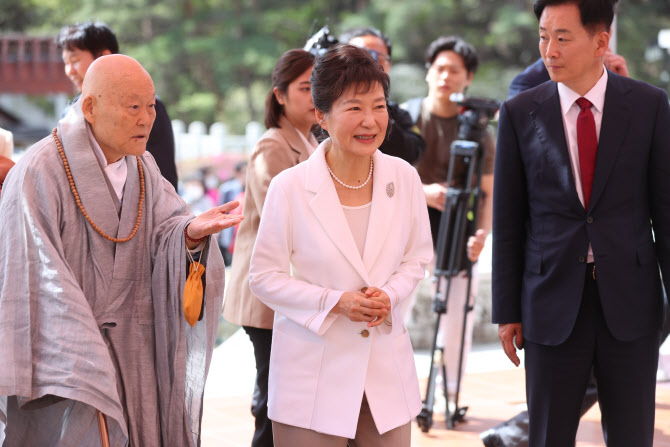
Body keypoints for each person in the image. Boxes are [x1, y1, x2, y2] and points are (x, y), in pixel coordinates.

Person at [0, 54, 243, 446]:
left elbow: (169, 228)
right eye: (134, 106)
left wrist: (191, 235)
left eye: (150, 106)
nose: (147, 118)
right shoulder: (39, 170)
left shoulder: (143, 167)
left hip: (136, 350)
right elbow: (36, 271)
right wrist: (87, 352)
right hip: (71, 361)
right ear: (91, 107)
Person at [492, 0, 670, 445]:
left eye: (562, 37)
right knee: (549, 435)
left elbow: (666, 212)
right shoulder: (519, 112)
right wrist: (507, 310)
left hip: (631, 300)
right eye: (543, 36)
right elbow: (509, 219)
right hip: (550, 301)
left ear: (601, 42)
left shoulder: (649, 105)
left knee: (632, 435)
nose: (548, 50)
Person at [248, 44, 433, 446]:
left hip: (384, 373)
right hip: (311, 374)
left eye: (379, 106)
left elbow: (418, 257)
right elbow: (263, 277)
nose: (370, 120)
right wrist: (335, 302)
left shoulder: (403, 178)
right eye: (354, 108)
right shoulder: (291, 187)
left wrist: (390, 294)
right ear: (321, 115)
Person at [223, 49, 318, 447]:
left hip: (290, 290)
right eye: (305, 87)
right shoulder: (273, 145)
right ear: (279, 95)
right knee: (272, 397)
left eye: (318, 86)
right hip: (266, 294)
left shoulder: (310, 139)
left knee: (284, 394)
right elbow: (282, 219)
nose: (314, 96)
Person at [401, 35, 495, 400]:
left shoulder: (479, 128)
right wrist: (423, 193)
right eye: (439, 68)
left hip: (458, 225)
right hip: (407, 224)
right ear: (428, 72)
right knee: (396, 307)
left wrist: (482, 234)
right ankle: (392, 389)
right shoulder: (408, 118)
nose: (445, 77)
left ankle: (451, 394)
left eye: (454, 71)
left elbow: (486, 192)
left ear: (467, 77)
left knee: (458, 312)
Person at [56, 21, 180, 190]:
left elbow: (164, 175)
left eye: (75, 60)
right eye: (66, 63)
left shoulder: (149, 106)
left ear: (103, 56)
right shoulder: (70, 113)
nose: (69, 71)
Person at [340, 27, 426, 165]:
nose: (370, 64)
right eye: (360, 56)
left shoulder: (396, 115)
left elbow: (414, 152)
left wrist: (383, 117)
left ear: (389, 65)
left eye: (378, 57)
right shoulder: (325, 108)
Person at [218, 160, 248, 265]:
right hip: (230, 231)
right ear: (238, 173)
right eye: (244, 172)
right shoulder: (227, 189)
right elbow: (221, 210)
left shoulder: (252, 187)